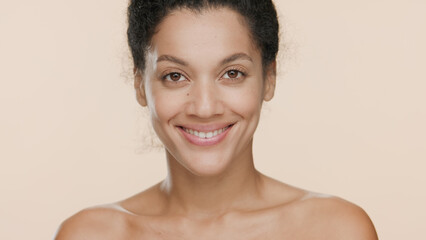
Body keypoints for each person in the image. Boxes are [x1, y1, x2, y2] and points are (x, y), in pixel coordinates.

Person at [55, 0, 378, 239]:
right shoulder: (90, 234)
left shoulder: (335, 230)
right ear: (140, 83)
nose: (205, 107)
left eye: (232, 73)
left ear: (269, 78)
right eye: (175, 76)